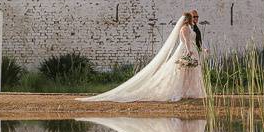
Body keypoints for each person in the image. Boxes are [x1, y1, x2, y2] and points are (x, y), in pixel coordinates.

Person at [77, 12, 206, 103]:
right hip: (186, 51)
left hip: (191, 51)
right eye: (192, 17)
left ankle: (188, 92)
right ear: (187, 19)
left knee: (187, 72)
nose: (194, 19)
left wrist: (198, 49)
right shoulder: (185, 29)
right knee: (180, 71)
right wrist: (189, 51)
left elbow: (193, 41)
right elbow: (186, 42)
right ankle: (181, 92)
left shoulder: (190, 28)